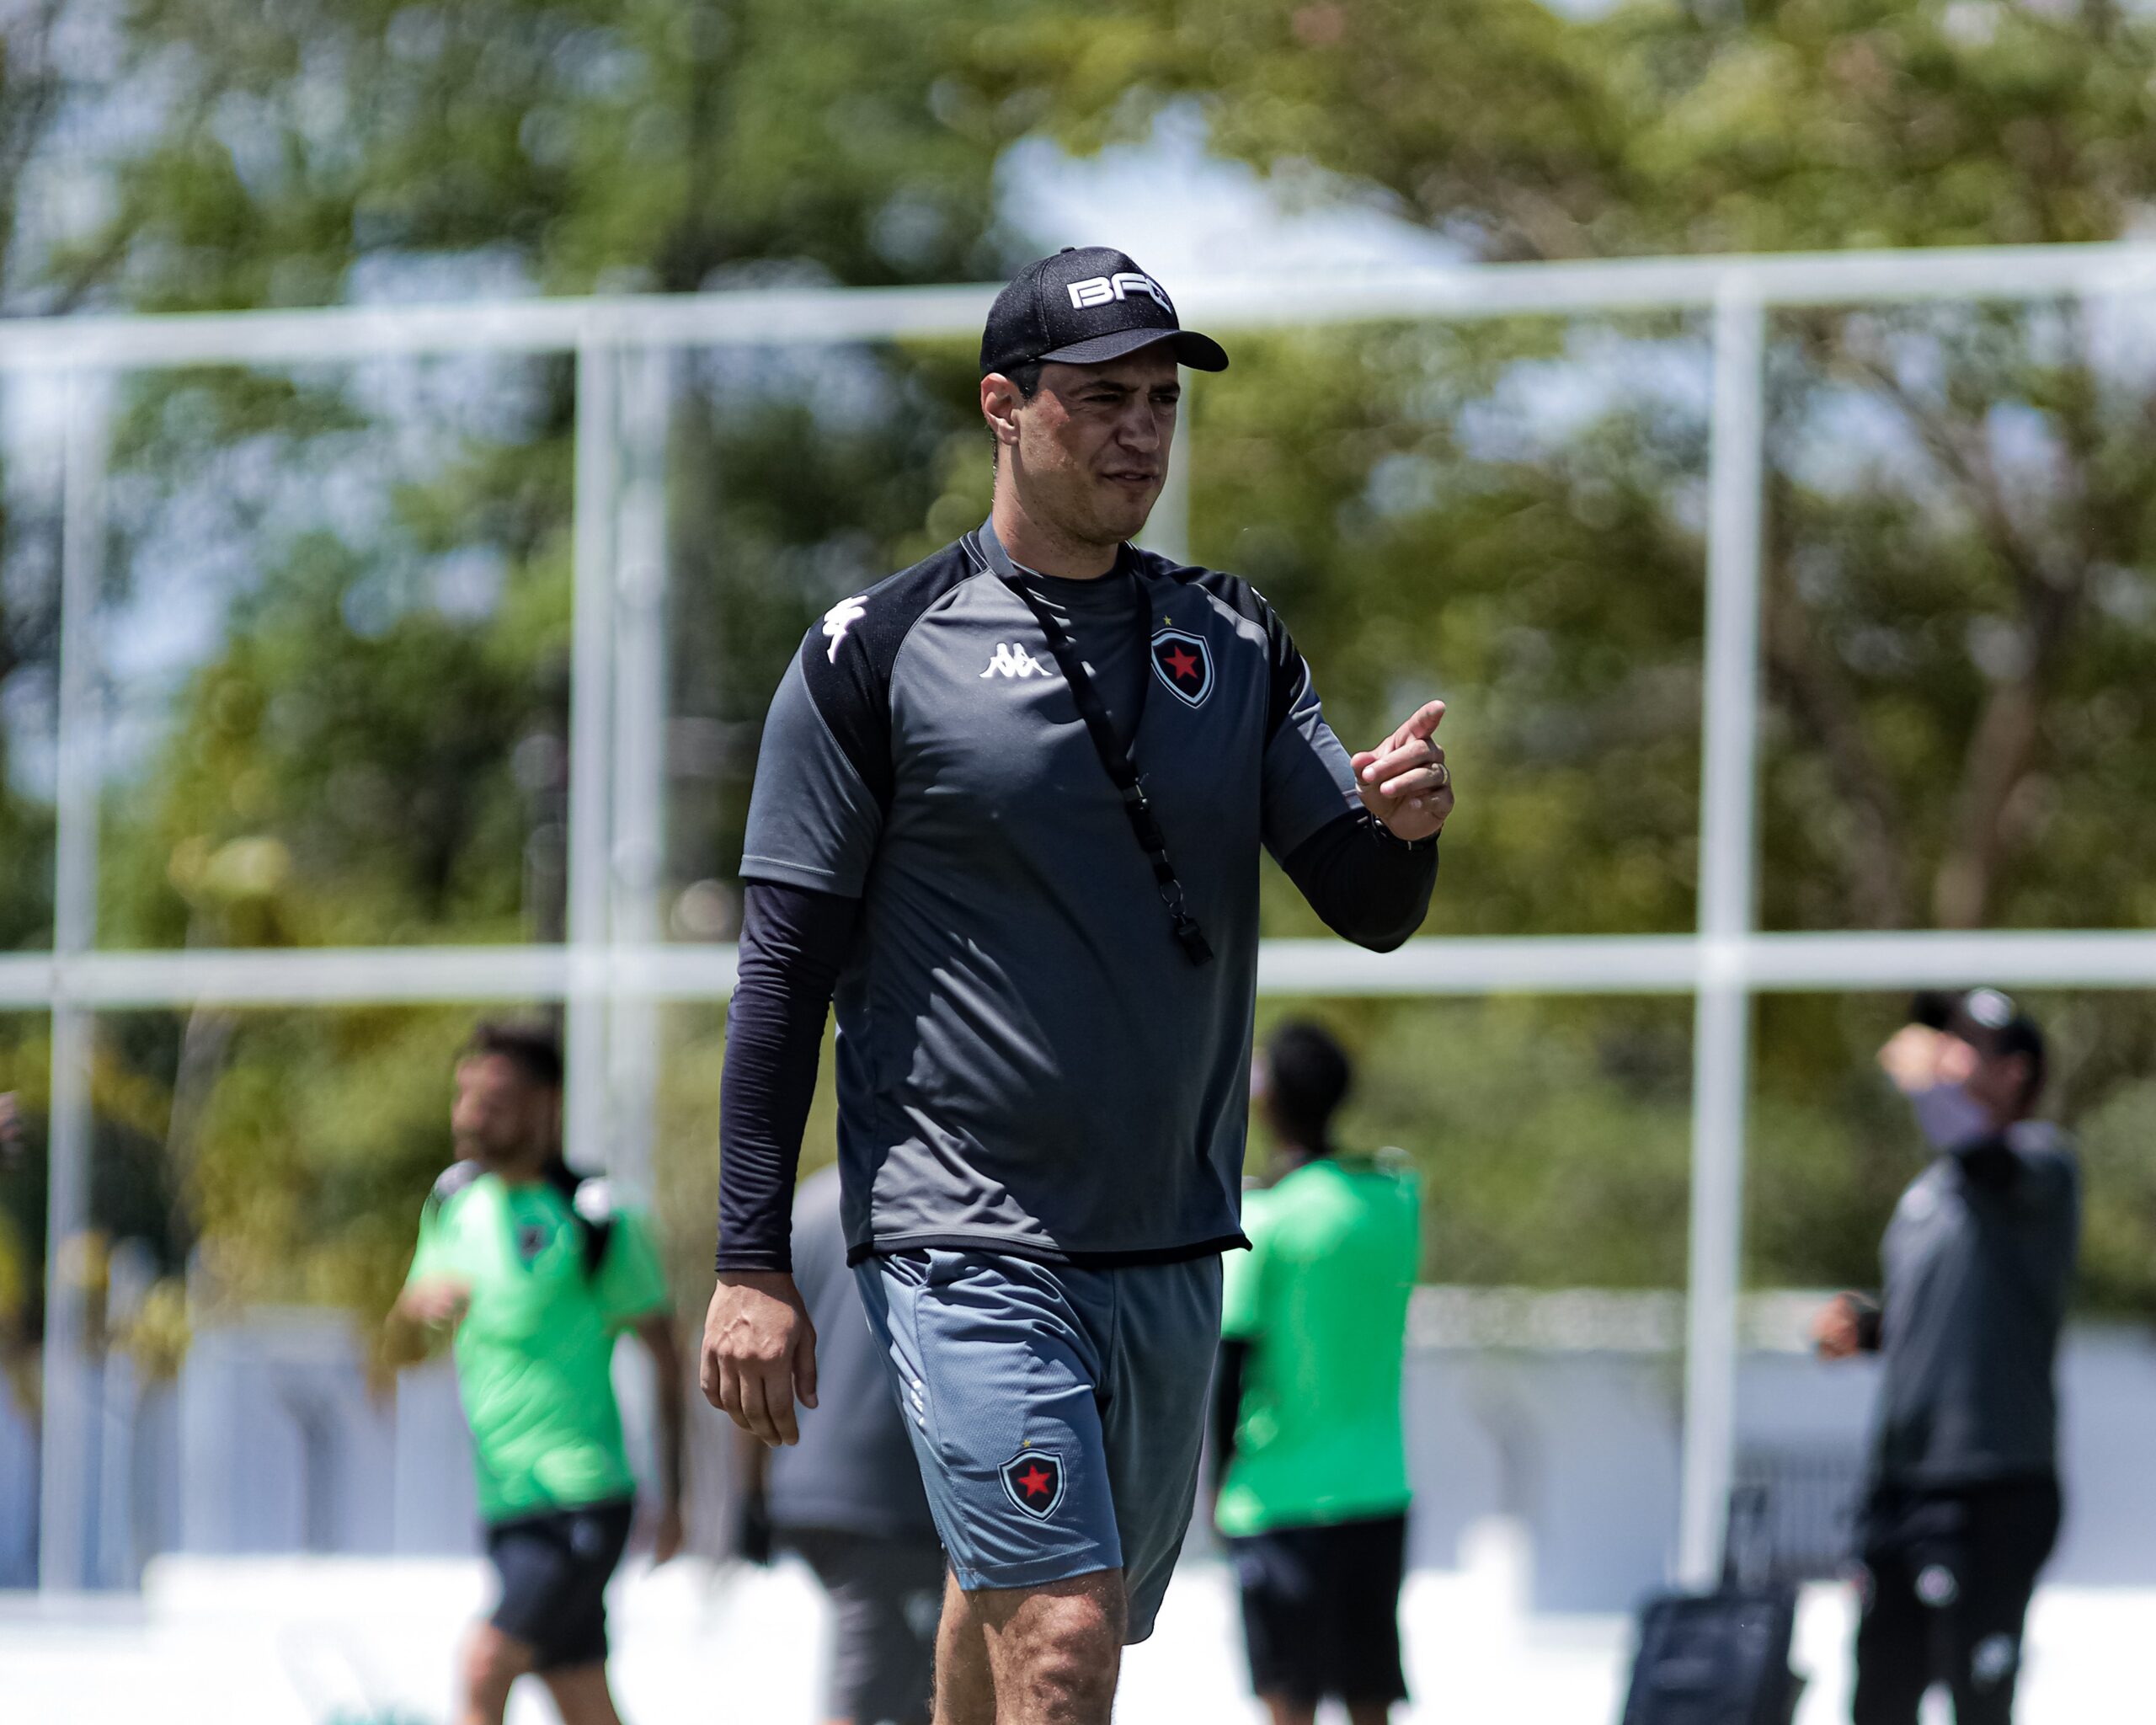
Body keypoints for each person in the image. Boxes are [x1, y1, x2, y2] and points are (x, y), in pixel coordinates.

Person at [699, 243, 1453, 1725]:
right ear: (1004, 405)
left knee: (1010, 1596)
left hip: (1170, 1237)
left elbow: (1366, 906)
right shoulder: (875, 651)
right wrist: (748, 1259)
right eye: (1102, 398)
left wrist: (1412, 827)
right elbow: (782, 972)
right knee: (1064, 1629)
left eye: (1162, 403)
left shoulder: (1231, 637)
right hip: (962, 1231)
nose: (1140, 434)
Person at [387, 1023, 686, 1725]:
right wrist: (408, 1315)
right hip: (507, 1503)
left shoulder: (596, 1216)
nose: (469, 1115)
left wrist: (678, 1499)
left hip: (581, 1496)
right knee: (581, 1695)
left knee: (484, 1665)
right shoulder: (452, 1203)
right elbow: (399, 1348)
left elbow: (666, 1356)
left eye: (493, 1098)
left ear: (545, 1104)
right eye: (464, 1095)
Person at [1812, 989, 2079, 1725]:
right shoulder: (1929, 1194)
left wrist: (1928, 1084)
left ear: (2015, 1072)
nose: (1946, 1057)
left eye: (1965, 1048)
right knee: (1879, 1701)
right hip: (1901, 1491)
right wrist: (1867, 1332)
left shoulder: (2040, 1169)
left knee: (1976, 1702)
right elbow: (1933, 1321)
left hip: (1993, 1488)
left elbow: (1988, 1165)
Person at [1213, 1021, 1422, 1725]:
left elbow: (1231, 1356)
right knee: (1370, 1688)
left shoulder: (1266, 1218)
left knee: (1288, 1694)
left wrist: (1215, 1480)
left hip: (1280, 1491)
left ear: (1271, 1103)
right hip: (1377, 1480)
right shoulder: (1396, 1203)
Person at [732, 1164, 945, 1725]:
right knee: (876, 1685)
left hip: (805, 1479)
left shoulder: (810, 1203)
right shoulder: (940, 1199)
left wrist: (750, 1492)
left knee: (911, 1677)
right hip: (885, 1494)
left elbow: (755, 1353)